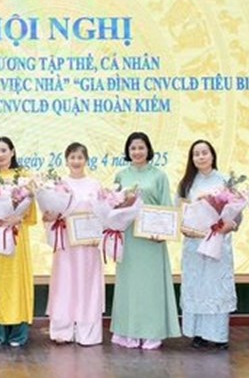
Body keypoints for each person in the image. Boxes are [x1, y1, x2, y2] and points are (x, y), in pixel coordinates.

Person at [110, 132, 180, 350]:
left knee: (150, 287)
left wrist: (163, 233)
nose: (137, 152)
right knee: (130, 286)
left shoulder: (159, 176)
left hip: (151, 239)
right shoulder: (121, 176)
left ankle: (152, 332)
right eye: (133, 148)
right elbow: (113, 206)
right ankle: (128, 331)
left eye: (141, 147)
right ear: (127, 151)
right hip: (129, 238)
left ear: (148, 149)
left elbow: (167, 206)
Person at [177, 140, 239, 350]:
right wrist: (182, 226)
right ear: (192, 159)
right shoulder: (186, 184)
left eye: (205, 152)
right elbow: (180, 212)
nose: (201, 157)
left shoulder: (225, 181)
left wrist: (229, 226)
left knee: (216, 288)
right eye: (196, 154)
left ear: (212, 155)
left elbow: (237, 215)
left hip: (218, 243)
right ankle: (197, 334)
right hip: (194, 245)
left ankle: (219, 335)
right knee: (197, 287)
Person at [46, 142, 104, 346]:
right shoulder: (58, 185)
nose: (76, 161)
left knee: (88, 284)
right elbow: (50, 213)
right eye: (72, 157)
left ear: (86, 160)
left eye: (80, 157)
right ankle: (62, 330)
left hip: (88, 244)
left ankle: (88, 332)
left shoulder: (95, 185)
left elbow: (103, 213)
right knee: (65, 283)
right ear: (66, 160)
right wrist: (50, 216)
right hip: (66, 243)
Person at [0, 137, 36, 347]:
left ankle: (19, 332)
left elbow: (30, 210)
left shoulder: (23, 176)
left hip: (16, 235)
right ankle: (0, 330)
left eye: (4, 150)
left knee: (17, 281)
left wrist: (18, 217)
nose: (0, 155)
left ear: (12, 152)